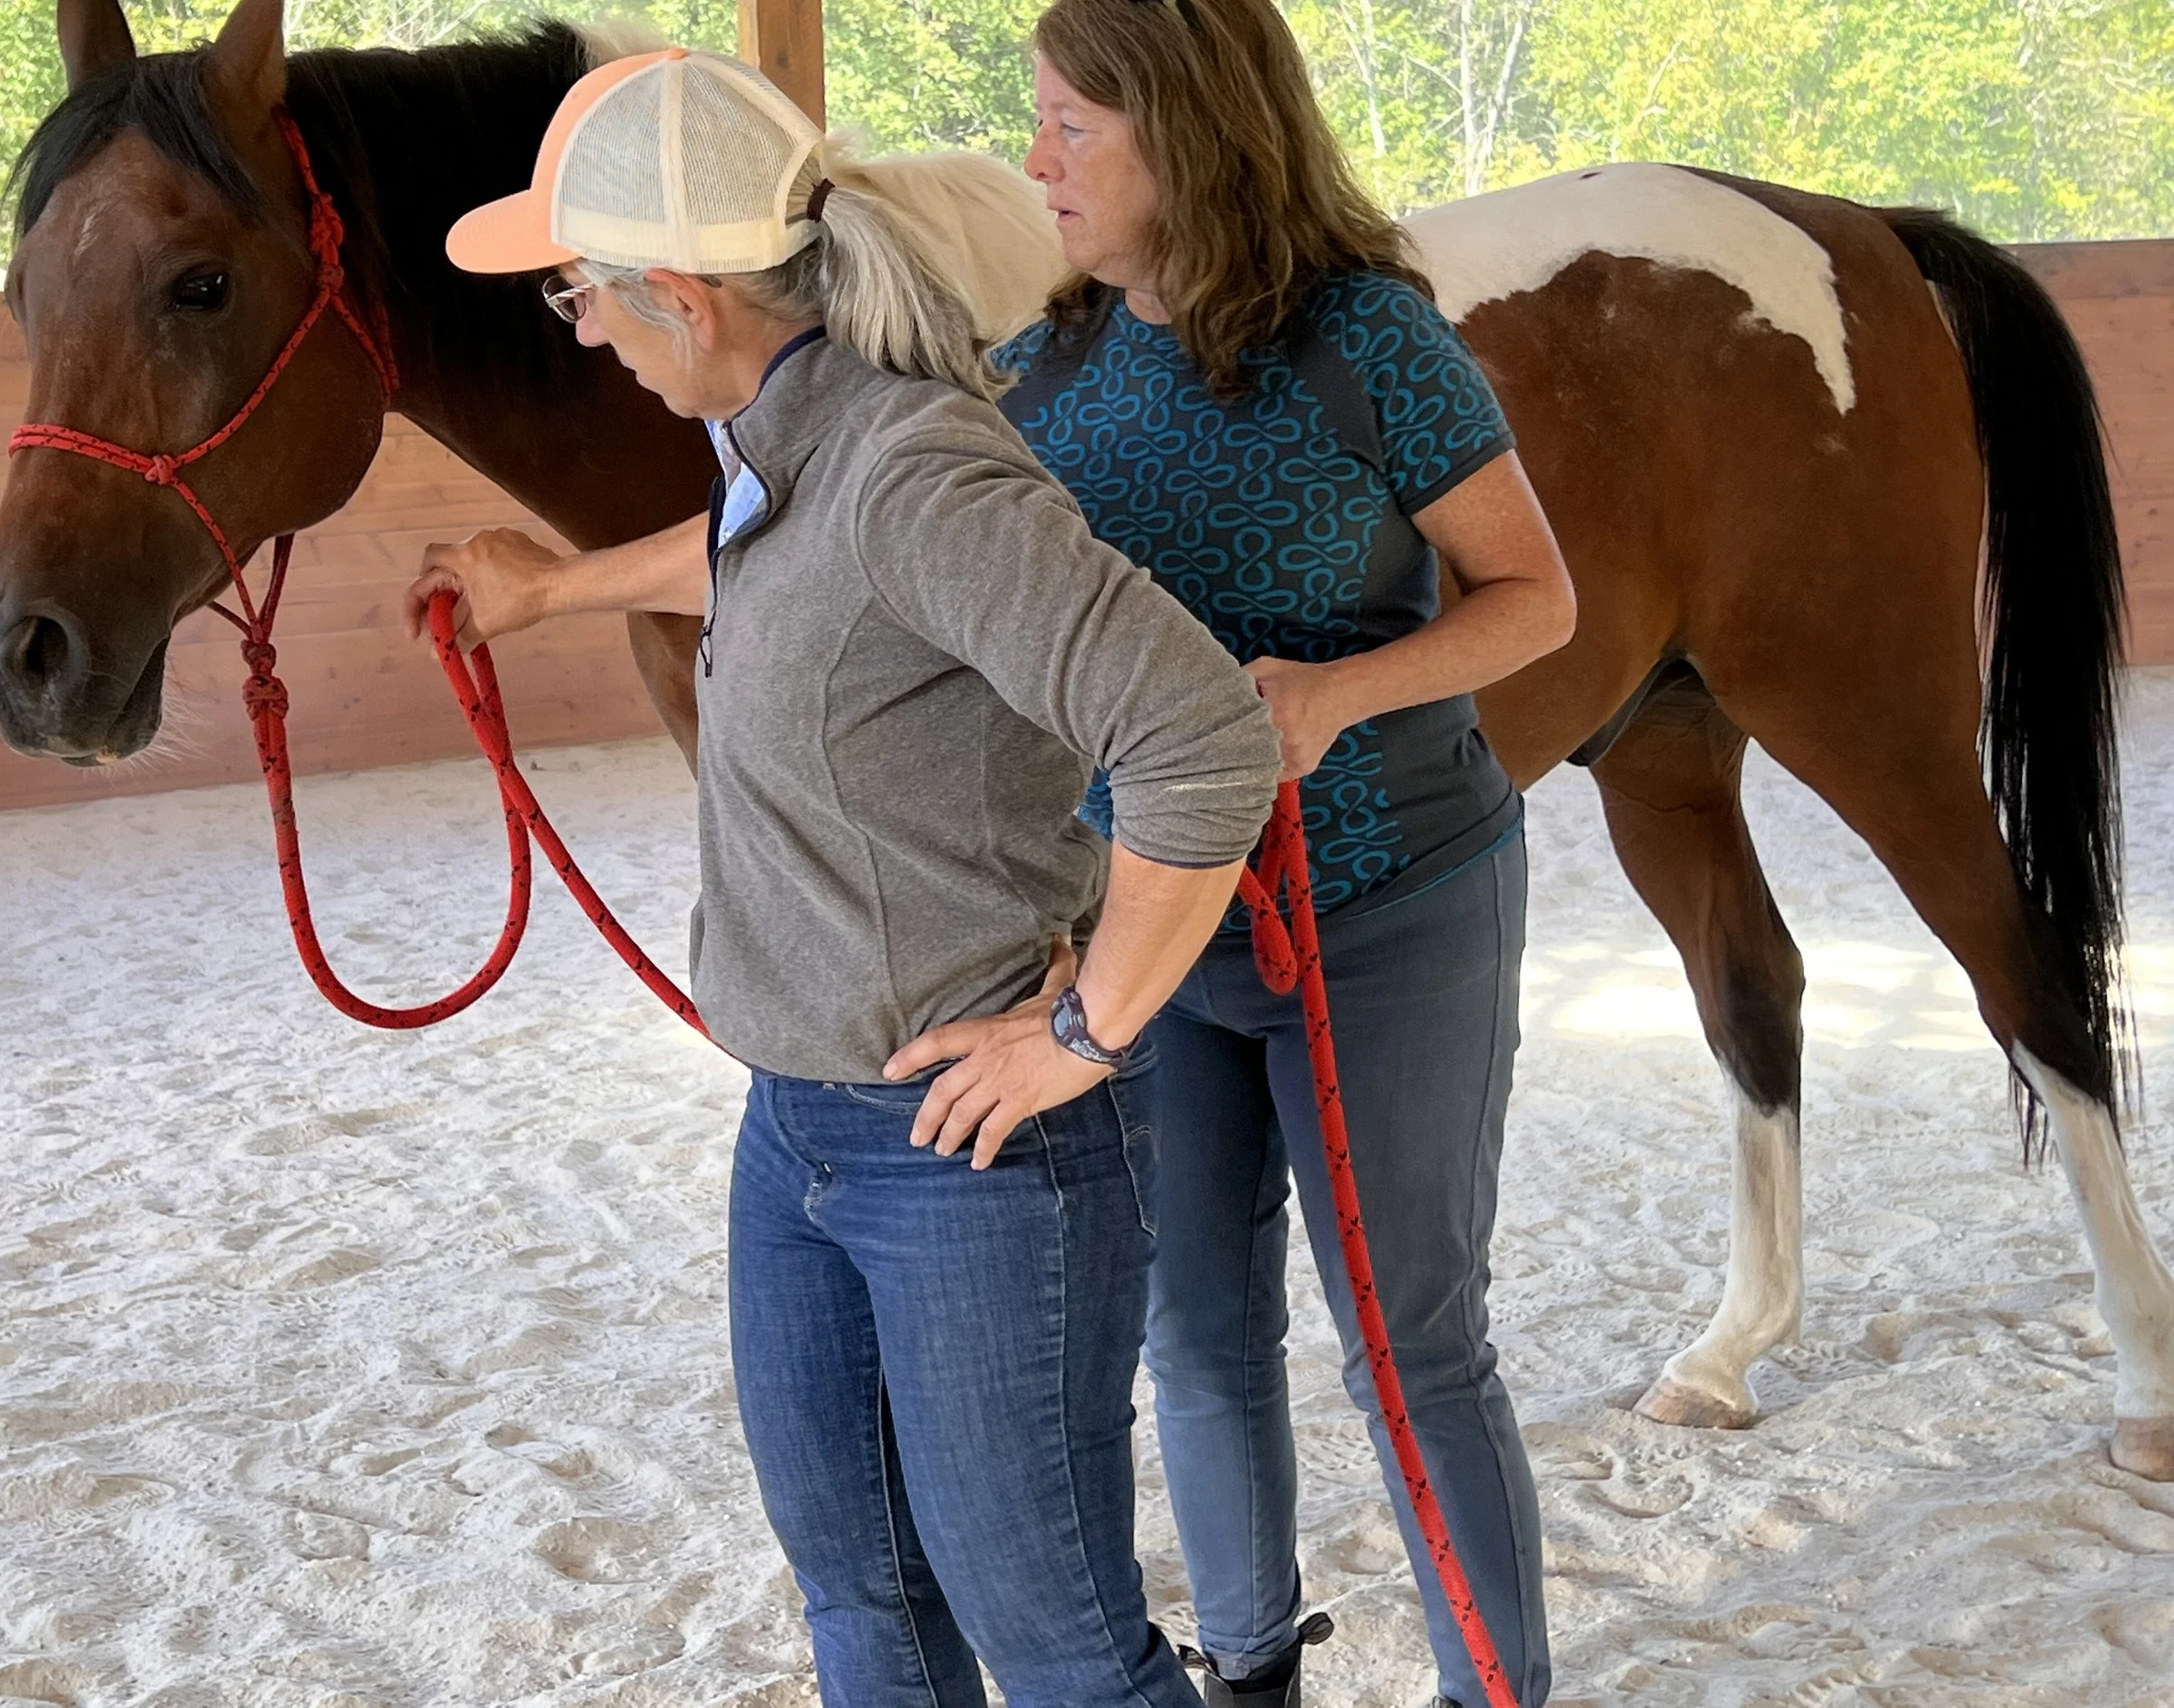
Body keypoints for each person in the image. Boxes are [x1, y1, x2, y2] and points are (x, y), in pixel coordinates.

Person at [411, 47, 1282, 1708]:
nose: (580, 329)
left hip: (967, 1152)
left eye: (584, 297)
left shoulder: (915, 468)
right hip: (795, 1124)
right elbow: (772, 553)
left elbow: (1203, 743)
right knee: (863, 1609)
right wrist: (553, 592)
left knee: (1066, 1654)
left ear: (680, 297)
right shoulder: (776, 439)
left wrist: (1086, 1033)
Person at [993, 3, 1579, 1704]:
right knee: (1197, 1328)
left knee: (1412, 1342)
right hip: (1153, 927)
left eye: (1069, 127)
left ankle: (1496, 1687)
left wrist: (1335, 692)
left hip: (1393, 902)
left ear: (1183, 131)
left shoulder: (1370, 336)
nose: (1036, 162)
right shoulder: (1042, 370)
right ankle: (1251, 1667)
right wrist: (559, 586)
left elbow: (1537, 601)